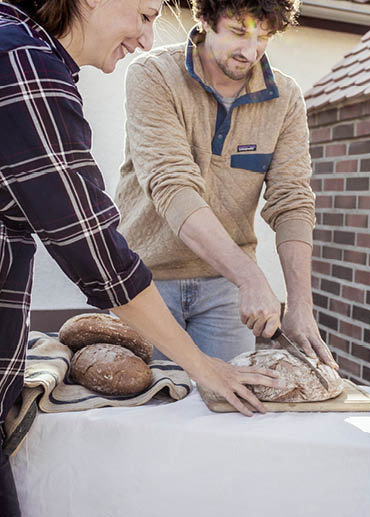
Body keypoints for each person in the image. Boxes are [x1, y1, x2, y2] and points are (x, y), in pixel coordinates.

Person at [0, 1, 286, 514]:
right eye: (145, 14)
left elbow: (293, 197)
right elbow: (99, 256)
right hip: (151, 286)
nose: (146, 38)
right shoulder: (25, 66)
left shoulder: (16, 44)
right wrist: (203, 367)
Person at [114, 0, 338, 369]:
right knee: (144, 414)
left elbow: (293, 200)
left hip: (225, 291)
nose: (250, 52)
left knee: (227, 414)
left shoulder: (285, 98)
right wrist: (251, 277)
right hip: (145, 283)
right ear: (204, 19)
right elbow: (173, 186)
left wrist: (299, 305)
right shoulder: (152, 75)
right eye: (238, 32)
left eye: (263, 37)